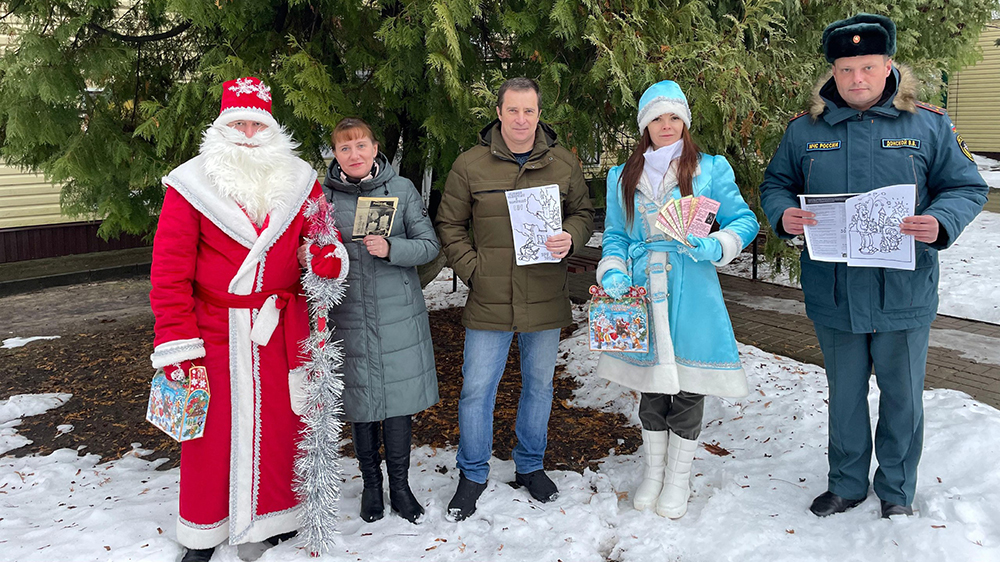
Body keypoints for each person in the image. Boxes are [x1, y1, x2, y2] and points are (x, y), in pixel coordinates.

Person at [759, 14, 988, 519]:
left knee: (902, 397)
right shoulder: (805, 131)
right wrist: (784, 214)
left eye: (867, 66)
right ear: (832, 73)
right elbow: (774, 184)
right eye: (846, 69)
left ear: (888, 66)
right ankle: (845, 483)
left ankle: (897, 491)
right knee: (844, 396)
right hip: (834, 291)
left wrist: (940, 221)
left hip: (903, 292)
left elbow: (968, 186)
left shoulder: (927, 124)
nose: (857, 79)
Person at [149, 77, 345, 562]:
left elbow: (323, 238)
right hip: (214, 332)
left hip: (279, 331)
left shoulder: (301, 180)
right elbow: (169, 273)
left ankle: (269, 521)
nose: (248, 132)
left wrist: (325, 258)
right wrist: (178, 343)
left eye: (257, 123)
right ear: (221, 127)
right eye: (238, 122)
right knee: (210, 438)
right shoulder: (190, 185)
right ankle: (203, 532)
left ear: (272, 128)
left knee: (279, 431)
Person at [596, 80, 760, 519]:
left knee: (689, 384)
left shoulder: (709, 168)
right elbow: (615, 233)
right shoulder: (621, 175)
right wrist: (612, 268)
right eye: (656, 118)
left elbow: (744, 220)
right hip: (641, 289)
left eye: (674, 117)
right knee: (651, 385)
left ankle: (678, 478)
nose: (666, 126)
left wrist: (717, 243)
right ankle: (653, 473)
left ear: (684, 121)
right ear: (644, 124)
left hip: (693, 288)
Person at [435, 77, 595, 521]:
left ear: (539, 113)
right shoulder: (470, 165)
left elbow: (583, 212)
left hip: (544, 293)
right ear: (499, 113)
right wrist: (473, 269)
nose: (521, 120)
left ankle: (530, 466)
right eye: (513, 111)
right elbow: (449, 224)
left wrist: (572, 237)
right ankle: (472, 473)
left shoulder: (563, 164)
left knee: (539, 386)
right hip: (490, 295)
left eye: (529, 111)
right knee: (476, 390)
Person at [320, 118, 441, 524]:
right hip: (348, 313)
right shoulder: (322, 199)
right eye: (344, 148)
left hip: (397, 316)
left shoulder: (402, 189)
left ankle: (401, 487)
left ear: (375, 148)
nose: (353, 155)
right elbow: (306, 250)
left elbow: (429, 246)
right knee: (361, 404)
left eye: (360, 146)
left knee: (397, 405)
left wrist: (392, 247)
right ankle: (372, 486)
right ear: (334, 155)